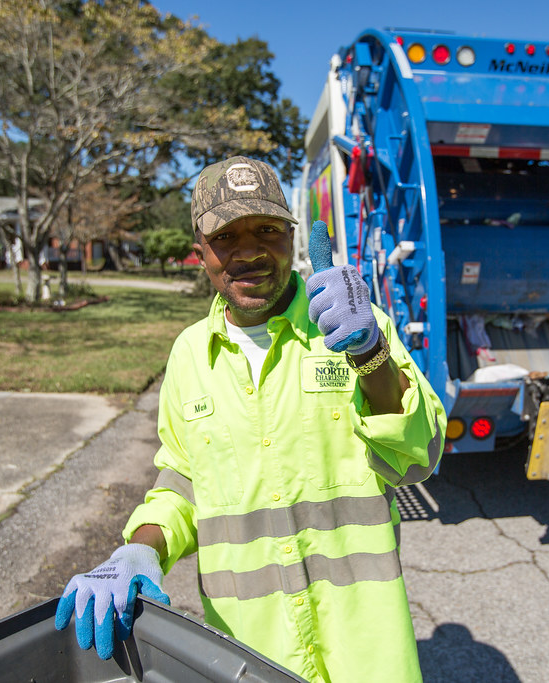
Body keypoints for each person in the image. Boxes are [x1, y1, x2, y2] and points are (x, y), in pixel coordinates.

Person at [55, 155, 446, 682]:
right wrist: (137, 552)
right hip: (249, 654)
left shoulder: (357, 326)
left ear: (292, 238)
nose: (249, 251)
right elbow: (182, 482)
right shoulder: (190, 355)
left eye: (266, 229)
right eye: (226, 237)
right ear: (200, 255)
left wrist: (370, 352)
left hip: (366, 650)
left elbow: (420, 454)